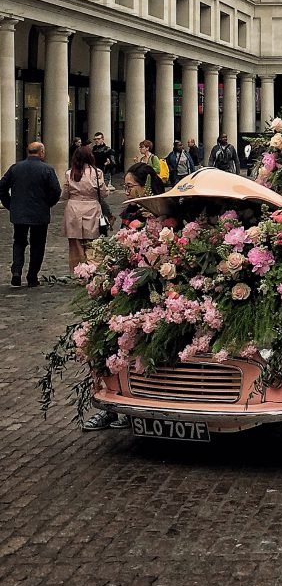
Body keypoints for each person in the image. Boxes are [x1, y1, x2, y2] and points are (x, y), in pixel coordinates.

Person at [83, 161, 165, 431]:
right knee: (107, 341)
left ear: (145, 186)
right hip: (124, 282)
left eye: (130, 186)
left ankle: (136, 404)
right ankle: (109, 406)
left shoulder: (161, 210)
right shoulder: (129, 210)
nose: (126, 190)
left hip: (149, 287)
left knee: (135, 345)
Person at [0, 142, 61, 287]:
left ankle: (16, 271)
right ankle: (32, 276)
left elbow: (2, 187)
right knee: (38, 245)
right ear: (41, 152)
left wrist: (10, 204)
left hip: (19, 213)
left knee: (19, 242)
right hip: (39, 213)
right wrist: (48, 204)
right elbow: (56, 191)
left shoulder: (15, 168)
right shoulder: (47, 169)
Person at [61, 145, 110, 274]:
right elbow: (104, 193)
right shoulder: (97, 172)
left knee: (75, 244)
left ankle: (79, 272)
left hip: (73, 209)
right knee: (93, 242)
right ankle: (93, 270)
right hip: (92, 208)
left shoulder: (69, 173)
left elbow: (65, 194)